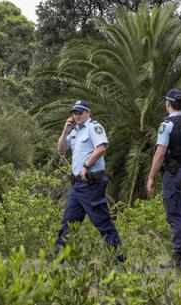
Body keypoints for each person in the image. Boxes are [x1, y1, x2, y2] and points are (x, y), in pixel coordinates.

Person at [55, 100, 123, 261]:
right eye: (75, 113)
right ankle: (59, 259)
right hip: (77, 185)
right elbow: (61, 149)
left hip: (91, 184)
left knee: (103, 222)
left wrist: (86, 166)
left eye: (80, 112)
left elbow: (101, 148)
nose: (77, 116)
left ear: (88, 112)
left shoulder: (94, 127)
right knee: (68, 222)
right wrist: (65, 132)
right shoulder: (74, 131)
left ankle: (118, 259)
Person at [146, 89, 181, 268]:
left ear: (168, 104)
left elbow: (160, 153)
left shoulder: (167, 125)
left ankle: (179, 257)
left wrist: (151, 177)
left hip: (173, 175)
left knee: (175, 214)